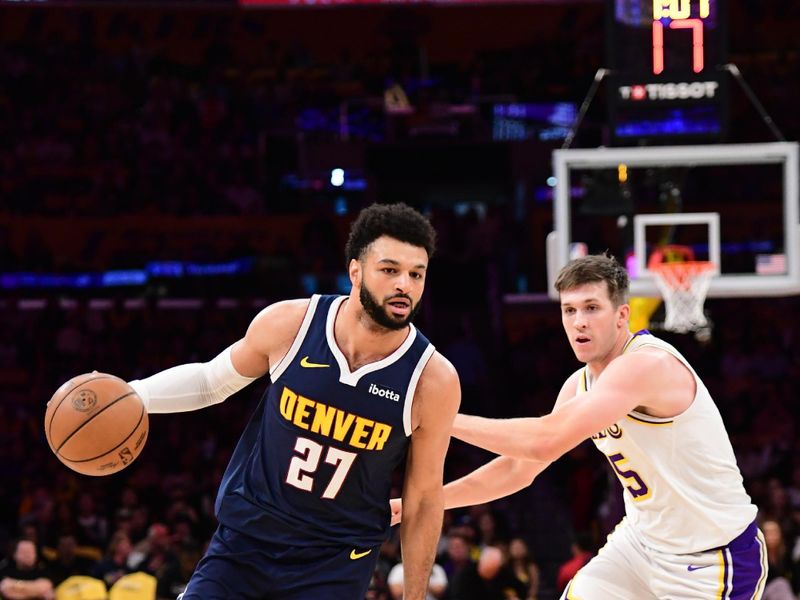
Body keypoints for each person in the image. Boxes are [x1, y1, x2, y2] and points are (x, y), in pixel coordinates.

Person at [126, 203, 460, 599]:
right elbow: (210, 382)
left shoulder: (433, 379)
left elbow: (422, 498)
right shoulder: (290, 325)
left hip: (334, 564)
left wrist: (414, 596)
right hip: (245, 544)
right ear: (355, 271)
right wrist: (133, 394)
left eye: (416, 274)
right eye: (390, 270)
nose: (404, 284)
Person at [393, 253, 766, 599]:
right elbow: (521, 468)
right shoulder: (579, 385)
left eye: (591, 308)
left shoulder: (646, 365)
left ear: (622, 316)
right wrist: (427, 501)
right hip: (640, 545)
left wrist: (443, 419)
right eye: (569, 310)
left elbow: (545, 441)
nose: (579, 321)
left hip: (711, 558)